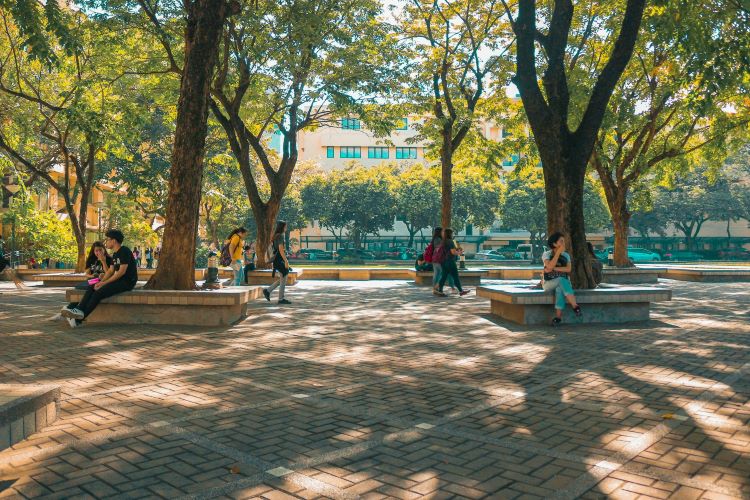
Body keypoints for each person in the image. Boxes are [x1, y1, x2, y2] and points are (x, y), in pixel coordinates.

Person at [61, 229, 138, 328]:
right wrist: (101, 282)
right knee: (93, 286)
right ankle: (78, 310)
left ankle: (79, 318)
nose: (106, 242)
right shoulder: (115, 254)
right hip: (119, 281)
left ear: (114, 241)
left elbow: (121, 272)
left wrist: (103, 283)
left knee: (99, 293)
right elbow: (110, 271)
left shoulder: (124, 251)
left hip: (127, 282)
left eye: (108, 239)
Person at [542, 232, 582, 326]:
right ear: (554, 244)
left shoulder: (566, 256)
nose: (564, 243)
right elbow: (549, 265)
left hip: (564, 282)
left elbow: (568, 269)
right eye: (561, 241)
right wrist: (558, 253)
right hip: (549, 283)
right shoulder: (546, 254)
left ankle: (558, 318)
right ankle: (575, 306)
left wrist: (553, 268)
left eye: (564, 241)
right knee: (560, 280)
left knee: (560, 288)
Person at [263, 221, 291, 304]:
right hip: (279, 259)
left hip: (277, 260)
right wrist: (286, 261)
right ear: (282, 227)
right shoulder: (281, 236)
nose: (286, 228)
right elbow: (281, 249)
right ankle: (280, 298)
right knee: (284, 275)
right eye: (285, 226)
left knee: (283, 277)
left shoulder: (276, 235)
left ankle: (268, 291)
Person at [436, 228, 470, 297]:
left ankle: (440, 290)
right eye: (452, 233)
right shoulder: (450, 241)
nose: (453, 234)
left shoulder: (443, 241)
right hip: (450, 262)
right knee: (455, 276)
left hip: (443, 262)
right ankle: (461, 291)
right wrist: (459, 252)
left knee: (444, 276)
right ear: (450, 234)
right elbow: (453, 252)